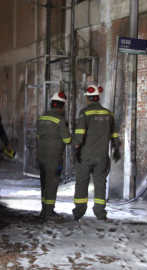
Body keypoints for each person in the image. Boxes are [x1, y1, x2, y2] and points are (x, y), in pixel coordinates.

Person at [72, 85, 120, 221]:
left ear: (87, 99)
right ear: (98, 98)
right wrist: (116, 148)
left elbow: (79, 134)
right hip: (102, 157)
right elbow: (114, 134)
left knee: (82, 184)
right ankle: (100, 213)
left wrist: (75, 149)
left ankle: (78, 213)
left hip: (85, 156)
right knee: (100, 185)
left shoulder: (84, 113)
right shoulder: (108, 114)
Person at [37, 92, 72, 222]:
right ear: (62, 106)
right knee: (51, 184)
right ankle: (49, 212)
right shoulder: (60, 119)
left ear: (52, 104)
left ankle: (43, 209)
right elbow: (67, 140)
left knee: (44, 183)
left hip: (41, 155)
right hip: (53, 157)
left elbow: (39, 137)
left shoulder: (42, 118)